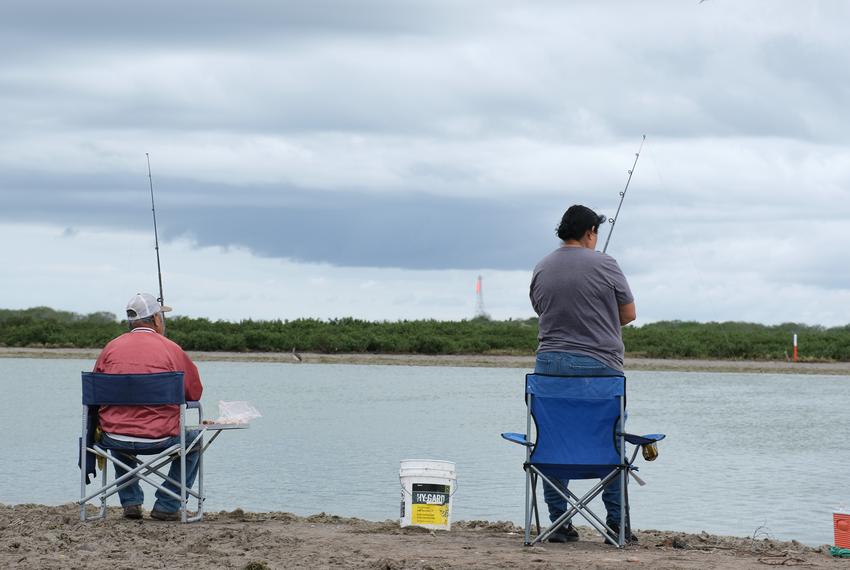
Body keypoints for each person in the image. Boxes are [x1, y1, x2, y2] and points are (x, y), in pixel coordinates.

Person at [529, 204, 637, 543]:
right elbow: (629, 314)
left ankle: (558, 524)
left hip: (547, 369)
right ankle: (616, 527)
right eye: (596, 234)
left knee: (554, 439)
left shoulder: (542, 266)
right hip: (600, 370)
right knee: (609, 443)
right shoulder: (606, 263)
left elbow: (541, 309)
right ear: (590, 232)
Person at [93, 292, 203, 521]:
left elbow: (95, 393)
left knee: (118, 428)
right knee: (194, 439)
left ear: (131, 321)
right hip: (161, 437)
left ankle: (131, 502)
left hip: (114, 437)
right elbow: (194, 393)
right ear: (155, 319)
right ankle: (168, 504)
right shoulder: (172, 349)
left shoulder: (110, 348)